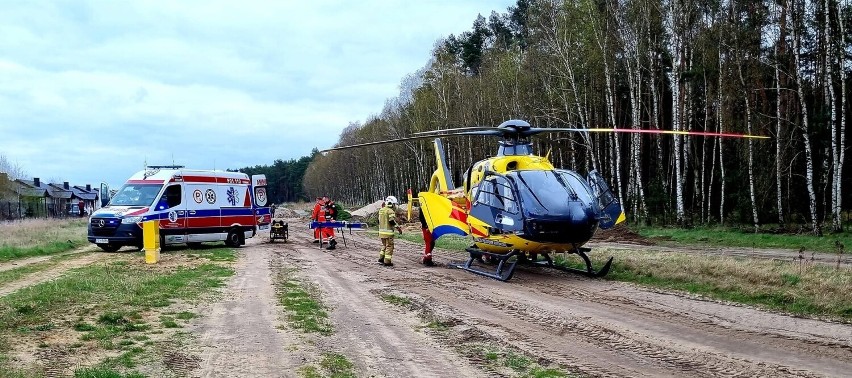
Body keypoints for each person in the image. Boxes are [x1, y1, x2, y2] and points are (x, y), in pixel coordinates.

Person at [377, 195, 402, 266]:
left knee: (384, 245)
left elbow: (378, 221)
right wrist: (398, 228)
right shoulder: (390, 211)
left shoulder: (381, 210)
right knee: (389, 246)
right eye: (395, 204)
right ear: (392, 204)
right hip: (388, 233)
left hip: (381, 233)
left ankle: (381, 259)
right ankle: (387, 262)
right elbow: (391, 221)